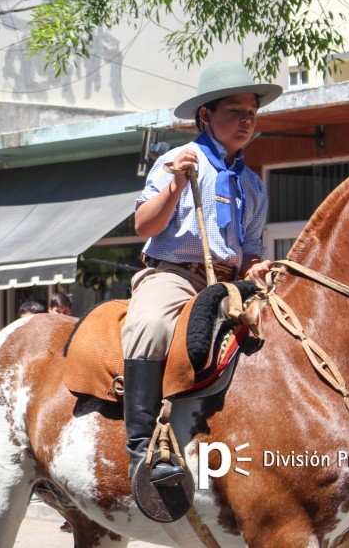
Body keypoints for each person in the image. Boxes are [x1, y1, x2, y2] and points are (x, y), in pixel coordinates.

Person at [120, 61, 282, 488]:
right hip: (176, 275)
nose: (246, 120)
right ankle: (142, 445)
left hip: (228, 282)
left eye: (252, 111)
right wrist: (175, 187)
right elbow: (144, 227)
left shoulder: (253, 185)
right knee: (151, 324)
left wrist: (257, 267)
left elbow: (248, 253)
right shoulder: (176, 160)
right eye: (235, 111)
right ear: (206, 116)